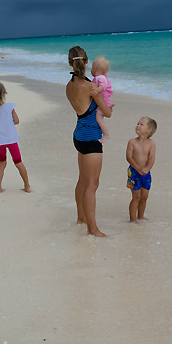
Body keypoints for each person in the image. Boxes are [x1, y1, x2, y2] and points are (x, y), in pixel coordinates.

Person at [66, 46, 112, 237]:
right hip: (92, 138)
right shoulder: (91, 87)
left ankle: (81, 217)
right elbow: (107, 113)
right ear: (86, 62)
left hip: (78, 136)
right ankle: (92, 229)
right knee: (92, 185)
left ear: (70, 63)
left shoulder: (69, 86)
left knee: (83, 180)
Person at [0, 82, 31, 194]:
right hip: (11, 140)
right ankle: (27, 186)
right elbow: (16, 121)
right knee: (18, 162)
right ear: (4, 93)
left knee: (1, 164)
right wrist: (7, 125)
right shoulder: (10, 107)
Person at [126, 117, 157, 223]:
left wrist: (147, 168)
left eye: (141, 124)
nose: (138, 125)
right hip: (134, 172)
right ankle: (132, 219)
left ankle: (141, 216)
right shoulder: (132, 142)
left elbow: (152, 157)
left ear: (149, 130)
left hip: (146, 173)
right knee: (136, 196)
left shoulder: (151, 143)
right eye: (137, 123)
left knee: (144, 196)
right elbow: (129, 157)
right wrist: (138, 168)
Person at [91, 56, 114, 140]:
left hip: (104, 103)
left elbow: (103, 86)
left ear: (95, 68)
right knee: (100, 118)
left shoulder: (100, 78)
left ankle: (106, 134)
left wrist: (97, 89)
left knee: (99, 118)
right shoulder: (101, 77)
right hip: (104, 103)